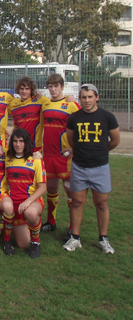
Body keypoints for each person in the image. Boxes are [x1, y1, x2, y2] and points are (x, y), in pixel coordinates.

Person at [63, 84, 120, 253]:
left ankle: (103, 238)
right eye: (83, 97)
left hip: (100, 167)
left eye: (90, 96)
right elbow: (72, 140)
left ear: (97, 97)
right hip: (79, 166)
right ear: (80, 99)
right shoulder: (74, 118)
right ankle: (75, 237)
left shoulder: (107, 117)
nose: (87, 100)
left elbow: (115, 140)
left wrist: (100, 152)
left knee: (101, 203)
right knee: (77, 202)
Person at [41, 74, 81, 236]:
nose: (53, 89)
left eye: (56, 86)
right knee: (51, 189)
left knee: (70, 191)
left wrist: (74, 148)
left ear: (62, 87)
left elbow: (82, 126)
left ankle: (72, 228)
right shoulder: (45, 103)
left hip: (65, 156)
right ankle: (51, 221)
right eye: (50, 86)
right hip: (48, 155)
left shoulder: (71, 105)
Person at [3, 128, 47, 258]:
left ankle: (35, 243)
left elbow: (43, 187)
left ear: (26, 142)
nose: (18, 144)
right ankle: (7, 230)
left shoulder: (36, 160)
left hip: (31, 201)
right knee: (22, 244)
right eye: (15, 141)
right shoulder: (7, 157)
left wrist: (28, 202)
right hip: (14, 203)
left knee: (31, 213)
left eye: (21, 141)